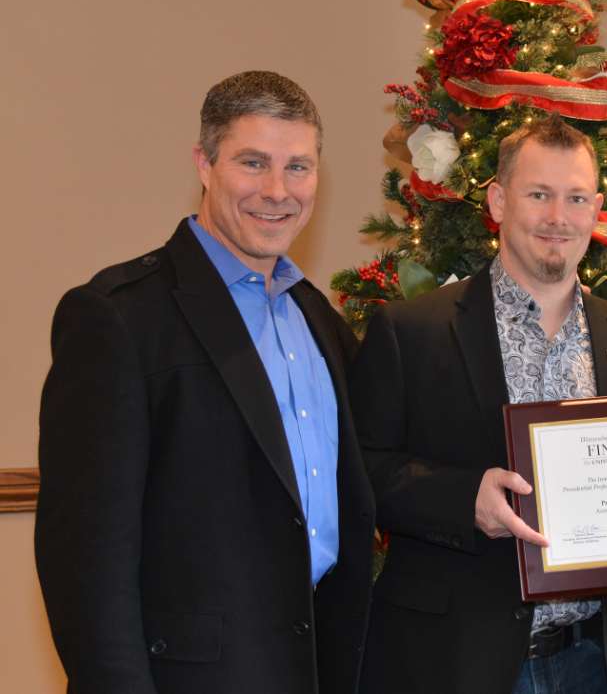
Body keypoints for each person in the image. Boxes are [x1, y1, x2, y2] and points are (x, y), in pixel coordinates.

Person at [35, 70, 374, 694]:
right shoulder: (119, 317)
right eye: (253, 162)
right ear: (204, 163)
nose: (278, 191)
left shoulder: (318, 320)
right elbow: (84, 562)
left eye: (298, 167)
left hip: (322, 667)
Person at [351, 115, 607, 694]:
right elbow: (362, 472)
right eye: (539, 195)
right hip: (454, 663)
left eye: (576, 198)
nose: (558, 218)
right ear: (498, 201)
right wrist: (463, 498)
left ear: (597, 209)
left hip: (591, 664)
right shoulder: (410, 331)